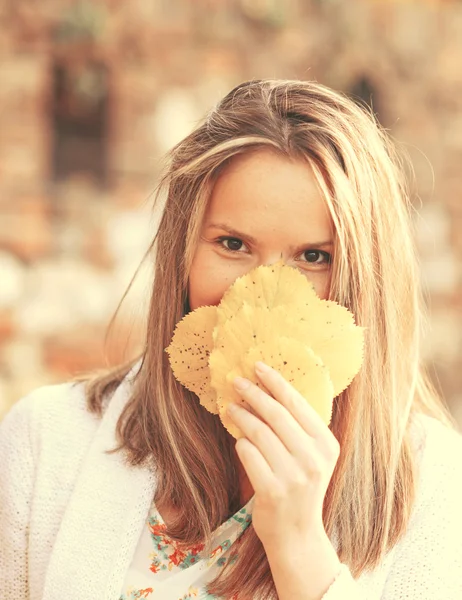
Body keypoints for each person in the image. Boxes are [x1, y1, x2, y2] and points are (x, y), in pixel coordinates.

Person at [1, 79, 462, 600]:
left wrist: (299, 547)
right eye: (233, 244)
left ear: (365, 281)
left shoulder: (439, 490)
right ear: (183, 254)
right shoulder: (47, 441)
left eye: (314, 257)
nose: (261, 292)